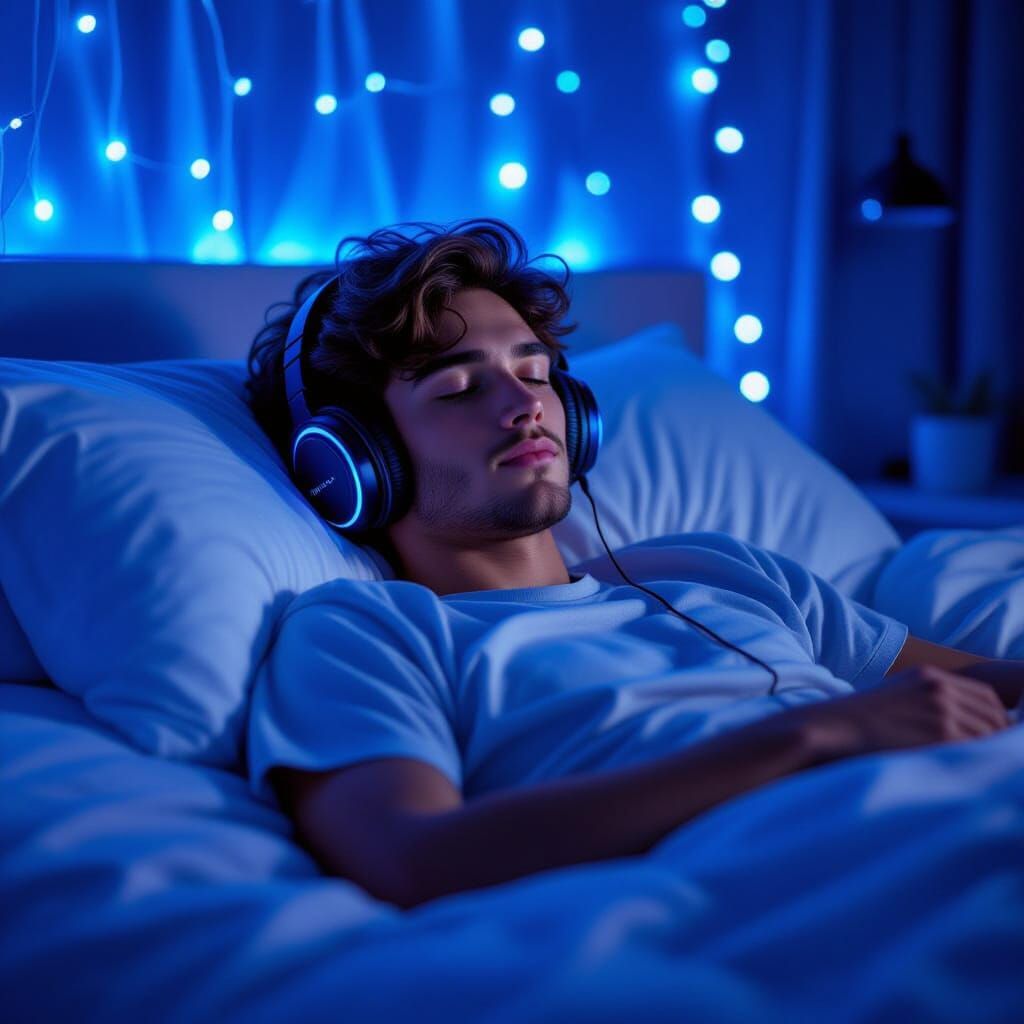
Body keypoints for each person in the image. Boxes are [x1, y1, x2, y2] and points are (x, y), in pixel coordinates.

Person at [244, 217, 1021, 910]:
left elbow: (966, 685)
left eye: (535, 372)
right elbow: (410, 860)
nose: (526, 406)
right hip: (851, 873)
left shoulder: (711, 568)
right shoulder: (364, 631)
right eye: (459, 388)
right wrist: (812, 735)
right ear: (353, 460)